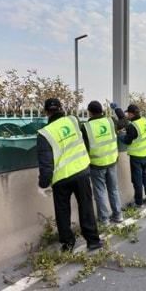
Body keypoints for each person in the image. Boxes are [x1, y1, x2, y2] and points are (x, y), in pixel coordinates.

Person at [37, 98, 102, 252]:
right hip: (81, 171)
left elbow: (46, 164)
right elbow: (84, 142)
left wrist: (43, 184)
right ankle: (93, 241)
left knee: (63, 212)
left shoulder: (44, 134)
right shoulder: (73, 120)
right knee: (86, 206)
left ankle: (68, 244)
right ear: (61, 108)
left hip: (61, 179)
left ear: (46, 112)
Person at [82, 101, 123, 226]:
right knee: (114, 189)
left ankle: (104, 220)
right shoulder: (110, 121)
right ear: (101, 110)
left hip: (97, 164)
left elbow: (84, 147)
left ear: (89, 112)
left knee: (100, 191)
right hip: (111, 161)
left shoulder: (86, 127)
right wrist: (118, 110)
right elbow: (124, 122)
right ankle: (118, 215)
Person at [119, 104, 146, 208]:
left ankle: (138, 202)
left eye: (128, 113)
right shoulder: (144, 120)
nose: (127, 115)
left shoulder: (132, 126)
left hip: (136, 156)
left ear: (131, 114)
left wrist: (121, 135)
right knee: (145, 176)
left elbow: (127, 141)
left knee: (137, 180)